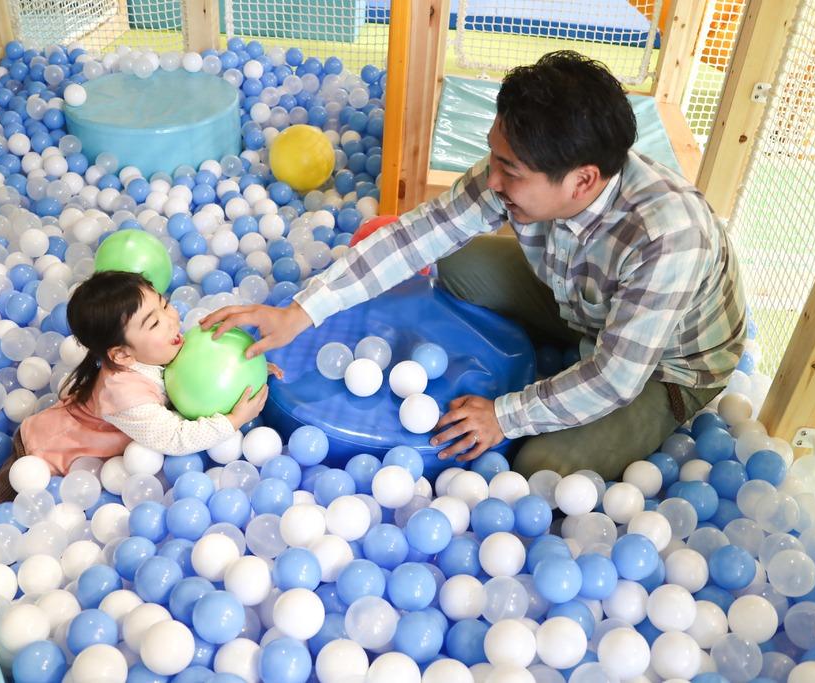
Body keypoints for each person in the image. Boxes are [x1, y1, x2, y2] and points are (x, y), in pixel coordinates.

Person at [201, 50, 747, 481]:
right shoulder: (528, 167)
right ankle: (550, 348)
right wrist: (301, 312)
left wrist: (503, 415)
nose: (492, 180)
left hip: (664, 366)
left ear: (582, 180)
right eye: (495, 156)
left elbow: (614, 378)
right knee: (453, 261)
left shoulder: (668, 239)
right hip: (579, 299)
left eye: (511, 171)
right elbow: (416, 237)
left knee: (540, 467)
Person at [0, 271, 281, 510]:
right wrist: (231, 421)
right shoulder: (125, 393)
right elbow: (174, 438)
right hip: (44, 451)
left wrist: (244, 369)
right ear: (121, 354)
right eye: (155, 323)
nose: (173, 321)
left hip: (80, 442)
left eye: (164, 304)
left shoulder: (163, 347)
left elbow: (200, 373)